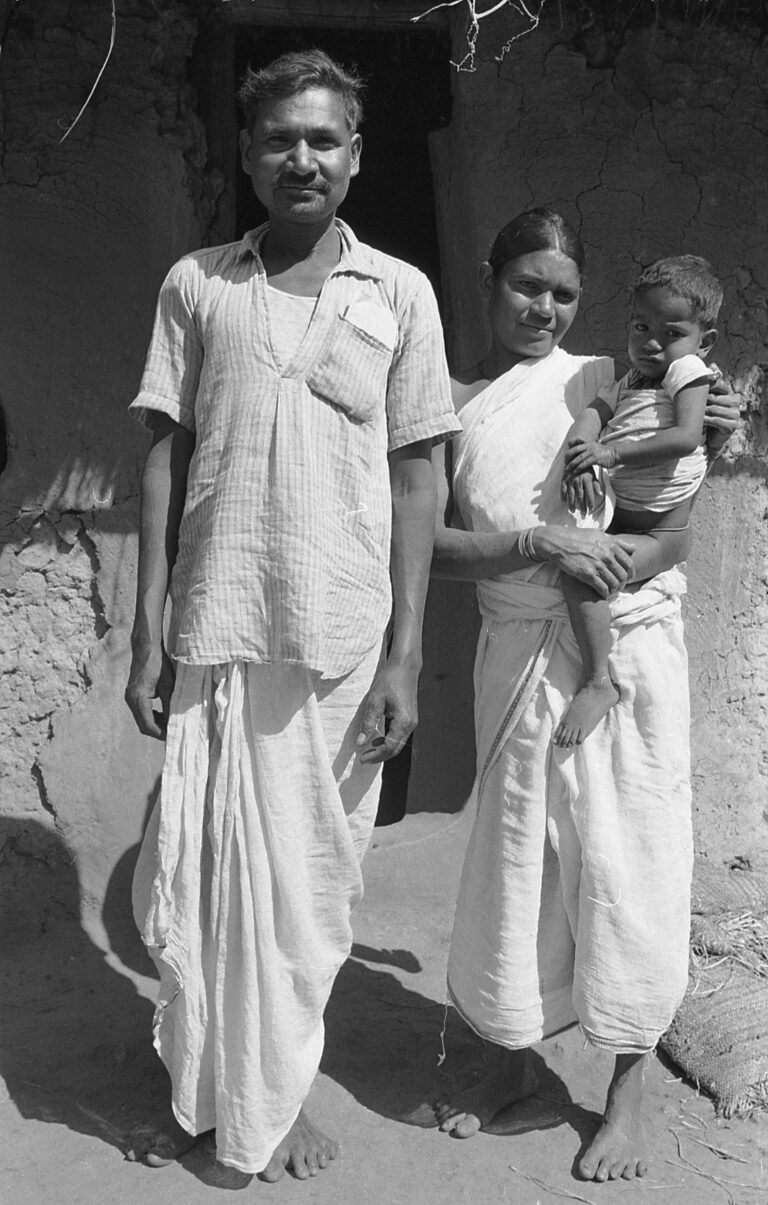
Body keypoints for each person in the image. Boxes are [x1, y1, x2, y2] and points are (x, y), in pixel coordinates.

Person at [123, 49, 459, 1179]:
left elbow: (419, 475)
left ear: (356, 157)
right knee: (207, 875)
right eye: (280, 138)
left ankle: (280, 1091)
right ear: (250, 153)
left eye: (324, 139)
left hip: (344, 633)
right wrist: (146, 629)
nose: (302, 157)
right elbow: (162, 458)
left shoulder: (400, 293)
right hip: (218, 622)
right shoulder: (198, 285)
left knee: (313, 889)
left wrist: (409, 654)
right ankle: (206, 1088)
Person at [430, 209, 738, 1182]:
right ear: (491, 277)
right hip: (515, 645)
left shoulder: (617, 375)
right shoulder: (448, 399)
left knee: (629, 855)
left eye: (563, 292)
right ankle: (515, 1059)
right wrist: (537, 545)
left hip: (630, 639)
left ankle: (628, 1092)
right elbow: (424, 550)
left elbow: (678, 525)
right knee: (517, 853)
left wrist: (616, 564)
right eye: (528, 285)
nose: (545, 308)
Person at [553, 254, 722, 747]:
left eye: (670, 333)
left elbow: (687, 438)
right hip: (623, 522)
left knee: (581, 576)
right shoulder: (630, 381)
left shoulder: (689, 373)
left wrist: (609, 453)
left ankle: (598, 681)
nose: (651, 343)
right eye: (641, 326)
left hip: (661, 532)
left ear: (702, 342)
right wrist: (580, 453)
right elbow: (593, 411)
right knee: (583, 559)